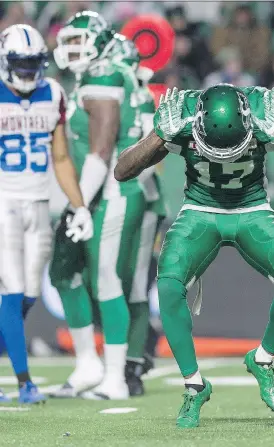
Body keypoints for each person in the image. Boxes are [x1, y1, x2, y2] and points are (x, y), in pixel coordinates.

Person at [114, 85, 274, 427]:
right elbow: (122, 170)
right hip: (200, 210)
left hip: (253, 208)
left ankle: (262, 359)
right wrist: (158, 135)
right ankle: (194, 385)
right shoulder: (181, 114)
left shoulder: (262, 112)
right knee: (168, 287)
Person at [48, 10, 147, 400]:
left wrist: (80, 205)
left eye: (79, 42)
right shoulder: (103, 74)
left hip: (112, 192)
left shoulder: (103, 76)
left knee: (107, 280)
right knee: (66, 273)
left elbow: (100, 152)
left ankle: (115, 378)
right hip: (101, 192)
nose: (71, 50)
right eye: (68, 42)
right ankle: (89, 364)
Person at [0, 24, 93, 403]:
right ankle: (25, 383)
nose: (26, 71)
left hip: (38, 204)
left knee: (31, 294)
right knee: (12, 290)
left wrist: (79, 203)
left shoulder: (53, 93)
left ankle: (18, 365)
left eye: (33, 63)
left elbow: (60, 157)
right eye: (20, 63)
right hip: (3, 201)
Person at [109, 34, 167, 396]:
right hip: (110, 197)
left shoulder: (140, 97)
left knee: (133, 284)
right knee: (106, 281)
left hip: (140, 198)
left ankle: (134, 359)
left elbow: (146, 158)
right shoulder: (95, 95)